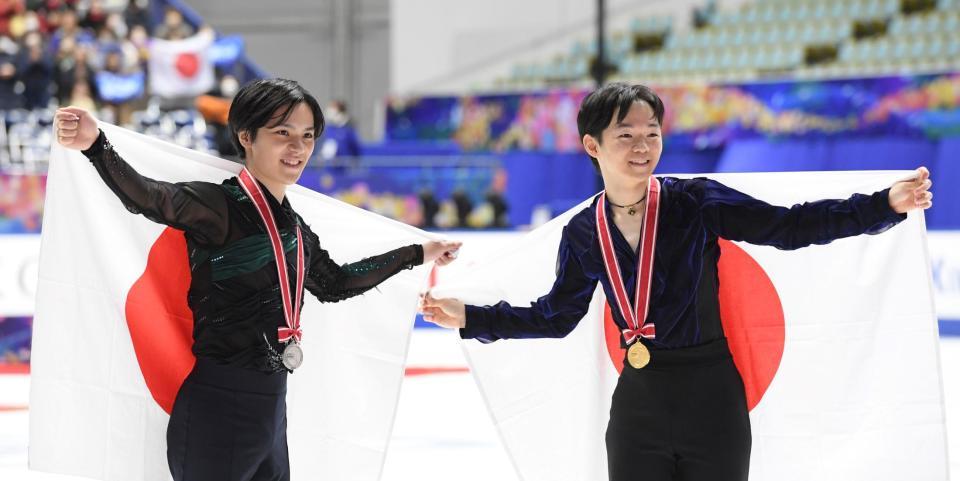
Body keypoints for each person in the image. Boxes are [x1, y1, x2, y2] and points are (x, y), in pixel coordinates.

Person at [419, 82, 933, 481]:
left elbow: (790, 226)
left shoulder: (696, 201)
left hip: (712, 397)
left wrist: (882, 204)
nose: (642, 146)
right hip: (639, 403)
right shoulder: (583, 231)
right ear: (592, 145)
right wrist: (473, 316)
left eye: (652, 134)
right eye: (626, 135)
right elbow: (557, 316)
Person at [54, 78, 461, 481]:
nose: (298, 148)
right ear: (246, 136)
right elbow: (147, 196)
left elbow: (336, 283)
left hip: (271, 411)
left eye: (307, 136)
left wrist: (417, 253)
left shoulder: (296, 229)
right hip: (218, 410)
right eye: (282, 133)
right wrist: (95, 145)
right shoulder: (218, 206)